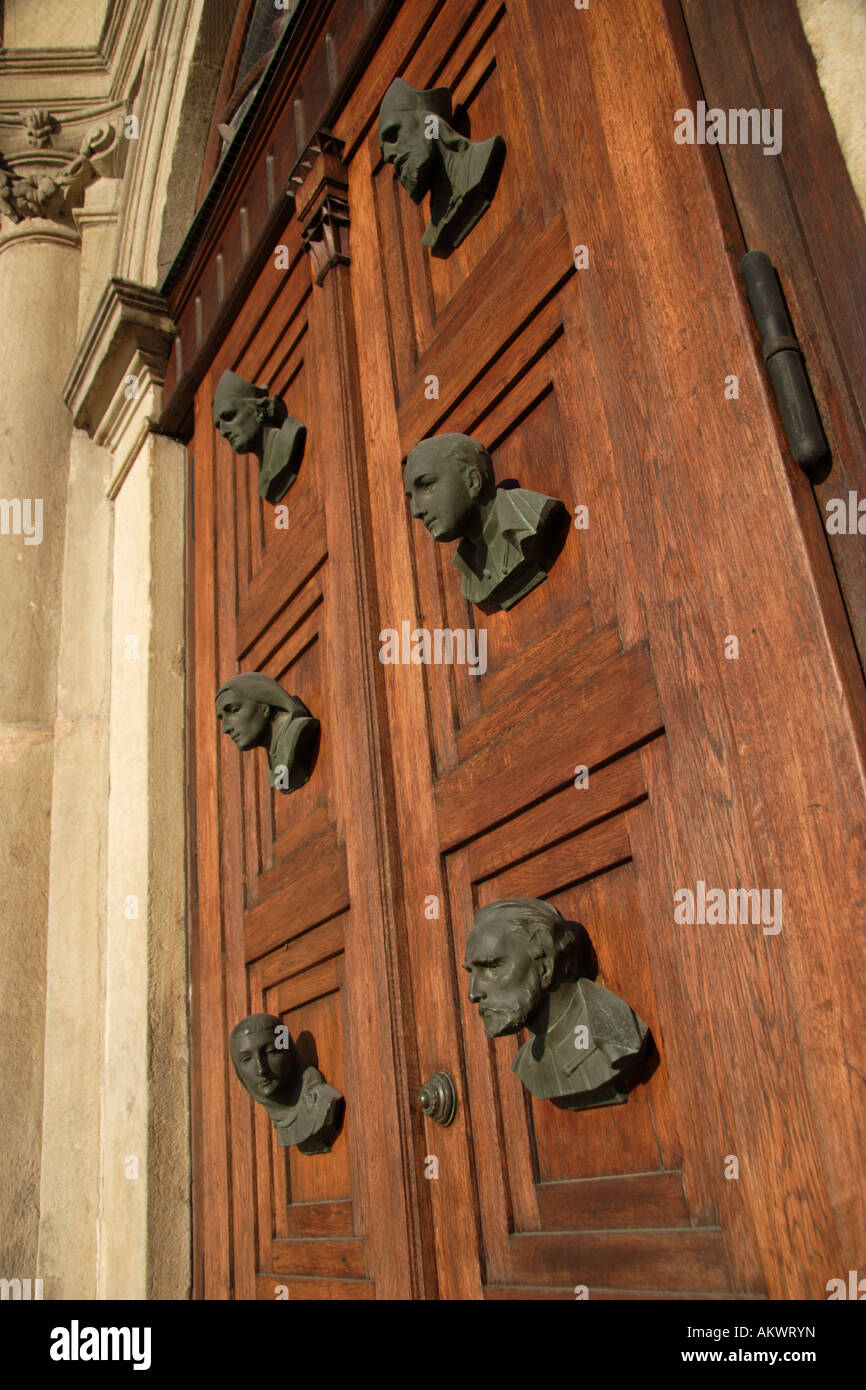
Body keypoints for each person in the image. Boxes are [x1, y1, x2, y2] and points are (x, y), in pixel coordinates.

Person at [463, 898, 651, 1109]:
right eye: (472, 973)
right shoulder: (526, 1063)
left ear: (545, 964)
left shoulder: (617, 1038)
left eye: (492, 967)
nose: (473, 994)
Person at [404, 433, 568, 610]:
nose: (416, 511)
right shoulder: (469, 576)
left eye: (428, 485)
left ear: (472, 481)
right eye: (411, 497)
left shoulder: (532, 515)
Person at [378, 77, 506, 257]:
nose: (388, 155)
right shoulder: (433, 234)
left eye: (392, 134)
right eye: (385, 150)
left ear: (429, 123)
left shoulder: (483, 159)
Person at [229, 1013, 343, 1156]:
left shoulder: (323, 1102)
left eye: (271, 1052)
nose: (260, 1069)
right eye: (246, 1060)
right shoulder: (279, 1117)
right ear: (238, 1071)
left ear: (289, 1053)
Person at [212, 369, 306, 505]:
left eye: (229, 417)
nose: (223, 432)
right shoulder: (263, 480)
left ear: (258, 410)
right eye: (219, 426)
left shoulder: (291, 434)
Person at [215, 672, 319, 792]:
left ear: (264, 707)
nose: (225, 728)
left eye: (234, 710)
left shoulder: (298, 731)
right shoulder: (274, 762)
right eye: (222, 718)